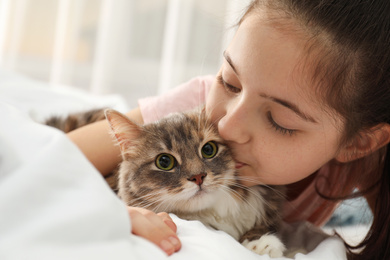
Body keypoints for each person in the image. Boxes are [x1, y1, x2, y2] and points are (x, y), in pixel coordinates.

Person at [67, 0, 390, 259]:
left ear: (359, 143)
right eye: (230, 82)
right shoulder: (196, 111)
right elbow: (49, 159)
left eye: (279, 121)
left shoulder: (367, 156)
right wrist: (111, 211)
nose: (227, 126)